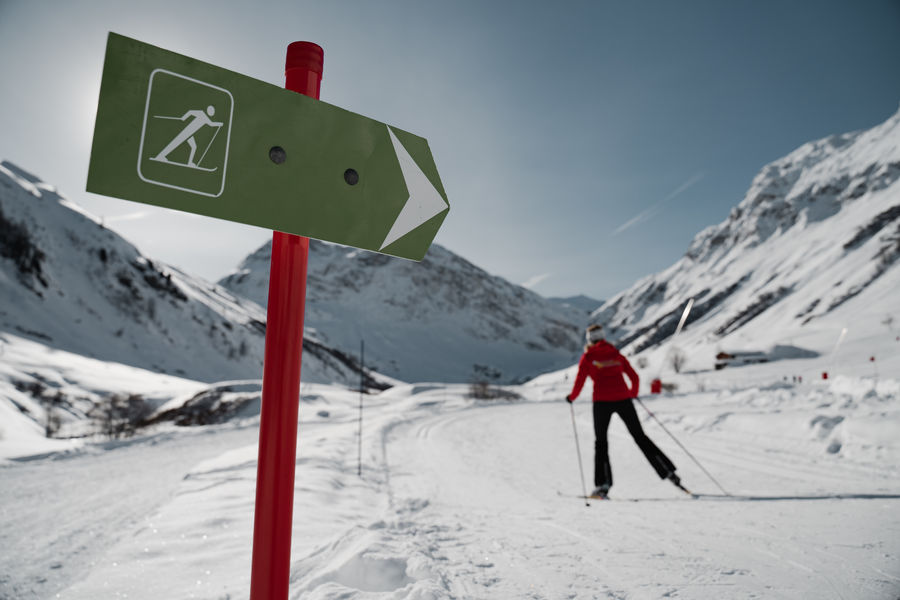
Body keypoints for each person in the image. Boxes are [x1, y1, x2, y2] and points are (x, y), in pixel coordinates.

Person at [566, 324, 683, 498]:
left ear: (589, 339)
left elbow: (580, 381)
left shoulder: (588, 357)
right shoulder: (615, 354)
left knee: (601, 443)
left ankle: (603, 485)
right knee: (640, 436)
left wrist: (572, 397)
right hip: (624, 400)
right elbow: (634, 376)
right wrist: (631, 394)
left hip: (601, 402)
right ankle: (668, 472)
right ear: (603, 337)